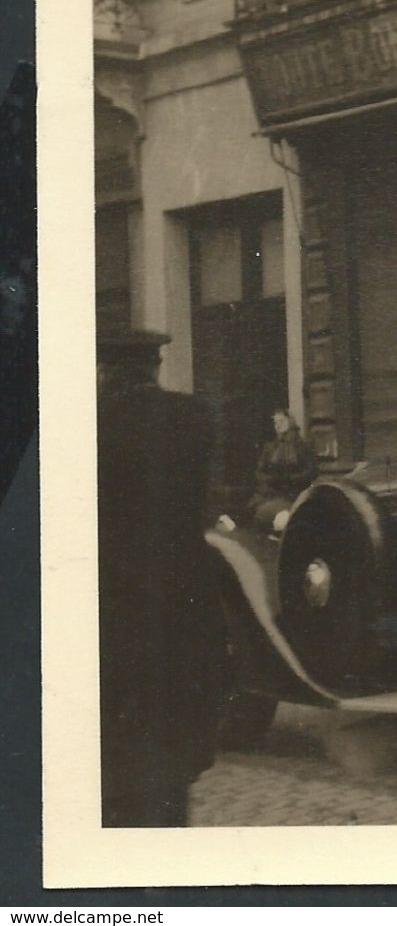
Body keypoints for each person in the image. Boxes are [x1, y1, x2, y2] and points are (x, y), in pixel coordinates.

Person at [97, 324, 226, 826]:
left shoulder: (94, 424)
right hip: (185, 597)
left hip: (117, 600)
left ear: (106, 371)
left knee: (119, 752)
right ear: (155, 366)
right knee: (175, 739)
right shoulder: (196, 416)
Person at [249, 406, 317, 531]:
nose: (278, 425)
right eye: (275, 422)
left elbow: (311, 471)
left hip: (296, 492)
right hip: (272, 493)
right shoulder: (270, 448)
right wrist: (271, 479)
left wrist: (291, 479)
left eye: (281, 421)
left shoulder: (302, 446)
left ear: (290, 422)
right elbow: (259, 472)